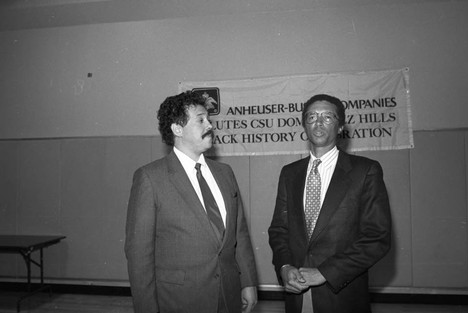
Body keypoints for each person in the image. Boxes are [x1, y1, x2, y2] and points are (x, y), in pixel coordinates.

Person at [125, 91, 258, 313]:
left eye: (209, 119)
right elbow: (139, 254)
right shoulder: (150, 177)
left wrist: (247, 282)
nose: (210, 125)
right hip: (179, 300)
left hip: (229, 294)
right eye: (201, 119)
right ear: (177, 129)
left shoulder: (225, 173)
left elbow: (239, 234)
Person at [268, 94, 392, 313]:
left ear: (341, 125)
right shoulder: (289, 173)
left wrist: (325, 272)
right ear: (304, 124)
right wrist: (285, 267)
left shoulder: (365, 171)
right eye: (312, 116)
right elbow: (279, 230)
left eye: (327, 117)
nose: (318, 122)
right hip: (297, 295)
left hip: (342, 295)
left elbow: (377, 238)